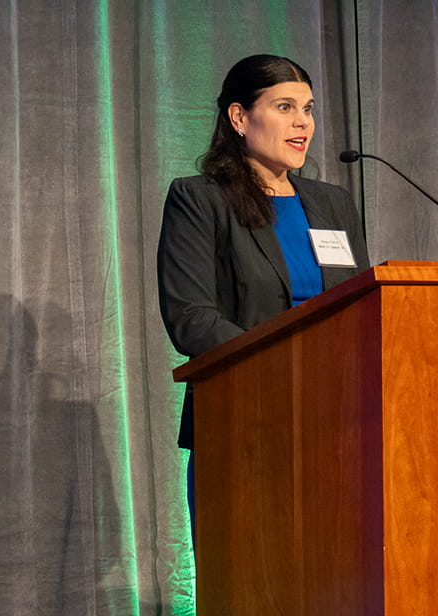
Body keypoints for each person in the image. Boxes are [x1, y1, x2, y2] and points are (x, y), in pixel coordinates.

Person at [157, 54, 371, 527]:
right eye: (284, 107)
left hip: (336, 423)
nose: (303, 123)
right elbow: (192, 319)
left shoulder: (333, 203)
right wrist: (284, 369)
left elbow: (362, 308)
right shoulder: (200, 200)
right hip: (244, 417)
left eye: (308, 109)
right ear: (239, 117)